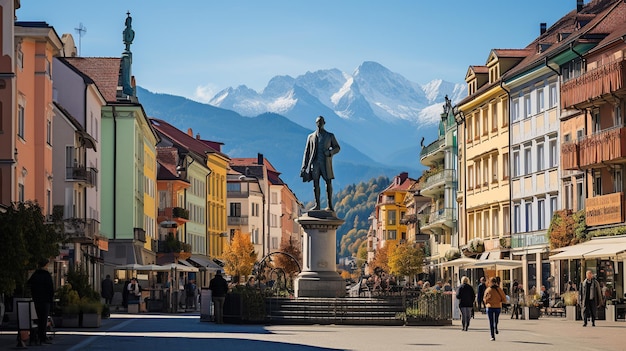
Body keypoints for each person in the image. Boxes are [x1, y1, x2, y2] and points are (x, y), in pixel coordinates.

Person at [300, 116, 341, 211]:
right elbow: (306, 152)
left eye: (321, 122)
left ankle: (330, 205)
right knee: (315, 184)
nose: (319, 123)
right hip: (315, 164)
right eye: (318, 122)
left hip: (326, 163)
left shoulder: (330, 136)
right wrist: (304, 166)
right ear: (316, 123)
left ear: (324, 123)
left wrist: (330, 152)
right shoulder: (311, 137)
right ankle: (317, 205)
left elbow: (337, 148)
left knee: (328, 183)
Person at [27, 260, 54, 345]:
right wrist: (51, 298)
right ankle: (42, 337)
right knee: (44, 319)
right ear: (46, 265)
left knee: (39, 318)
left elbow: (29, 284)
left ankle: (39, 337)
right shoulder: (46, 275)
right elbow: (50, 288)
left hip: (37, 300)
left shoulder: (35, 275)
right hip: (45, 300)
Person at [484, 277, 507, 341]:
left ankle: (492, 336)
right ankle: (495, 327)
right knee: (496, 320)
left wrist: (486, 302)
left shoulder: (488, 290)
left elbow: (485, 299)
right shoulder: (499, 289)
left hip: (490, 307)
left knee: (491, 321)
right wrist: (501, 301)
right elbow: (504, 298)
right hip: (497, 306)